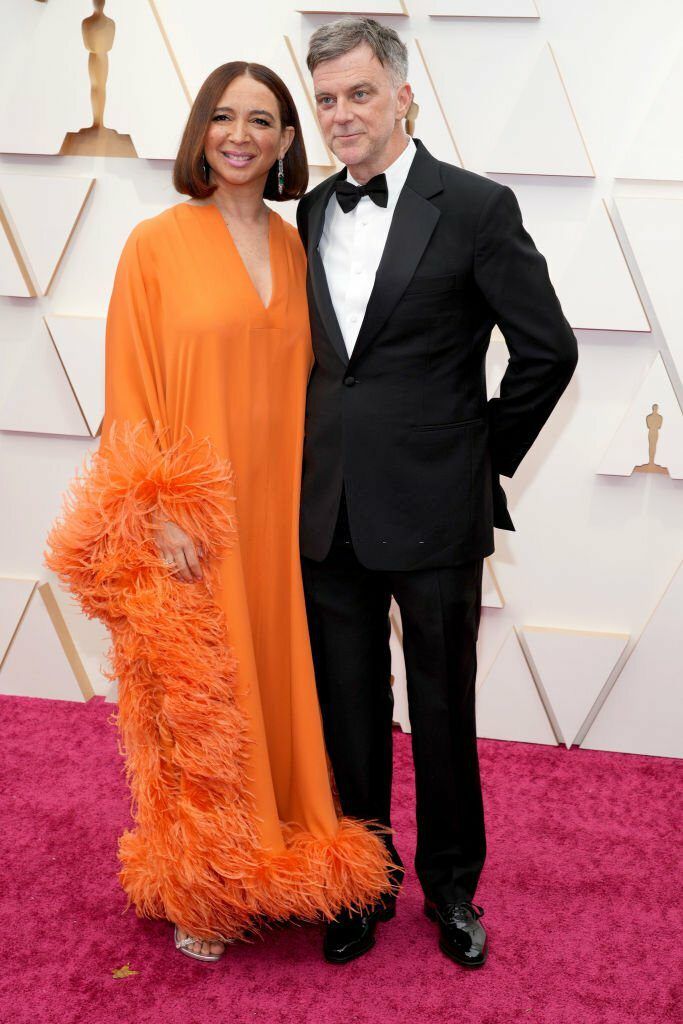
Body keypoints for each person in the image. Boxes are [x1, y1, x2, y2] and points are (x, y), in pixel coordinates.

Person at [44, 60, 397, 964]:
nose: (241, 135)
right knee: (201, 711)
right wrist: (154, 510)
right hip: (193, 523)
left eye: (264, 120)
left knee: (281, 691)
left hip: (286, 518)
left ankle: (281, 858)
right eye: (225, 117)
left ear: (287, 143)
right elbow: (129, 386)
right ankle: (207, 881)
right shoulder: (155, 244)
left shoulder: (296, 246)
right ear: (202, 132)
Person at [296, 18, 579, 967]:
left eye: (359, 93)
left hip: (434, 507)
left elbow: (547, 351)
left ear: (403, 94)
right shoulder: (306, 212)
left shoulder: (474, 206)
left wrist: (475, 456)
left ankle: (451, 889)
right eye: (327, 98)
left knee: (444, 708)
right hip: (326, 504)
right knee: (346, 708)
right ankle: (358, 882)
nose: (341, 114)